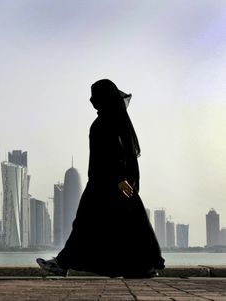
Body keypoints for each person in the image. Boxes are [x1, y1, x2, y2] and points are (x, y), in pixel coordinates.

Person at [37, 79, 165, 278]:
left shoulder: (108, 122)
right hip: (106, 182)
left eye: (95, 95)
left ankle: (62, 263)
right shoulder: (109, 121)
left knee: (91, 225)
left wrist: (120, 180)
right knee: (116, 226)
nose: (91, 100)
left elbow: (116, 155)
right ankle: (139, 267)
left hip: (107, 184)